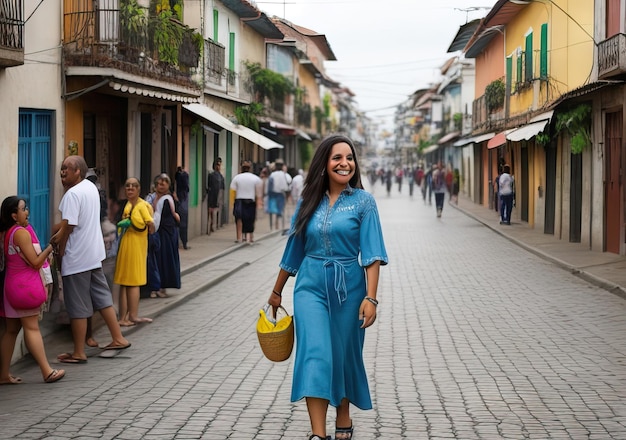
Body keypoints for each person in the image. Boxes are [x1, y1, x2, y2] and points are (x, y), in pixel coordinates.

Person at [267, 134, 388, 440]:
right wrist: (277, 290)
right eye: (337, 158)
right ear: (324, 163)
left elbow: (372, 255)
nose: (344, 163)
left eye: (349, 158)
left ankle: (343, 414)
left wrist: (371, 299)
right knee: (316, 353)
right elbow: (293, 249)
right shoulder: (308, 201)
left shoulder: (363, 202)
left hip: (350, 288)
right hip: (310, 286)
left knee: (345, 353)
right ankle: (318, 434)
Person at [50, 155, 130, 364]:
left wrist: (59, 249)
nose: (62, 172)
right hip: (94, 255)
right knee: (103, 298)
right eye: (61, 169)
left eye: (67, 168)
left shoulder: (72, 194)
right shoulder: (90, 188)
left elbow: (69, 226)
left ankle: (78, 352)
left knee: (77, 306)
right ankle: (118, 337)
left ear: (78, 172)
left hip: (77, 257)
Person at [0, 196, 66, 384]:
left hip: (11, 287)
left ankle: (3, 374)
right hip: (24, 287)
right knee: (32, 328)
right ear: (14, 215)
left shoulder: (6, 232)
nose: (27, 211)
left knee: (11, 330)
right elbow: (36, 262)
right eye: (23, 209)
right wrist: (51, 247)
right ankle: (47, 371)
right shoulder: (20, 233)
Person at [114, 177, 155, 326]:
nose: (130, 188)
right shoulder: (127, 205)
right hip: (126, 244)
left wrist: (150, 228)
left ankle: (132, 316)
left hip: (136, 246)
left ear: (139, 189)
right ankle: (123, 318)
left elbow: (151, 223)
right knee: (124, 282)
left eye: (134, 186)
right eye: (127, 186)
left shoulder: (142, 206)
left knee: (132, 282)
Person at [150, 173, 181, 297]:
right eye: (159, 183)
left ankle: (162, 286)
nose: (161, 185)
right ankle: (156, 286)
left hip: (166, 235)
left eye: (164, 183)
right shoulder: (151, 197)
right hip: (157, 233)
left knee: (164, 260)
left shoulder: (168, 199)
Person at [231, 160, 262, 244]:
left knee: (239, 219)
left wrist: (232, 202)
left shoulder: (237, 177)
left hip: (239, 200)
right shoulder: (255, 178)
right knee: (250, 219)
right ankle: (250, 237)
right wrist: (259, 202)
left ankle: (239, 237)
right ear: (250, 168)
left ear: (241, 168)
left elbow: (232, 190)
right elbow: (258, 192)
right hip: (251, 200)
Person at [267, 159, 292, 231]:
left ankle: (273, 226)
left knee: (272, 210)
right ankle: (280, 225)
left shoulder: (272, 174)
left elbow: (270, 186)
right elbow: (287, 186)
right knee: (280, 210)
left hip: (273, 194)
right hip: (281, 193)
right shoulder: (284, 174)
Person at [206, 158, 224, 234]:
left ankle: (215, 224)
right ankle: (210, 225)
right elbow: (209, 185)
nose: (218, 167)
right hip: (212, 195)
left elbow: (222, 187)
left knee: (216, 211)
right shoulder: (211, 175)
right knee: (211, 211)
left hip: (217, 195)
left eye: (219, 165)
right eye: (217, 165)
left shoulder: (221, 176)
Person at [174, 166, 190, 249]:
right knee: (183, 224)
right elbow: (187, 188)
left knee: (177, 225)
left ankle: (180, 242)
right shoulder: (184, 177)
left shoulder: (177, 179)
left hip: (178, 203)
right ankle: (184, 242)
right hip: (182, 203)